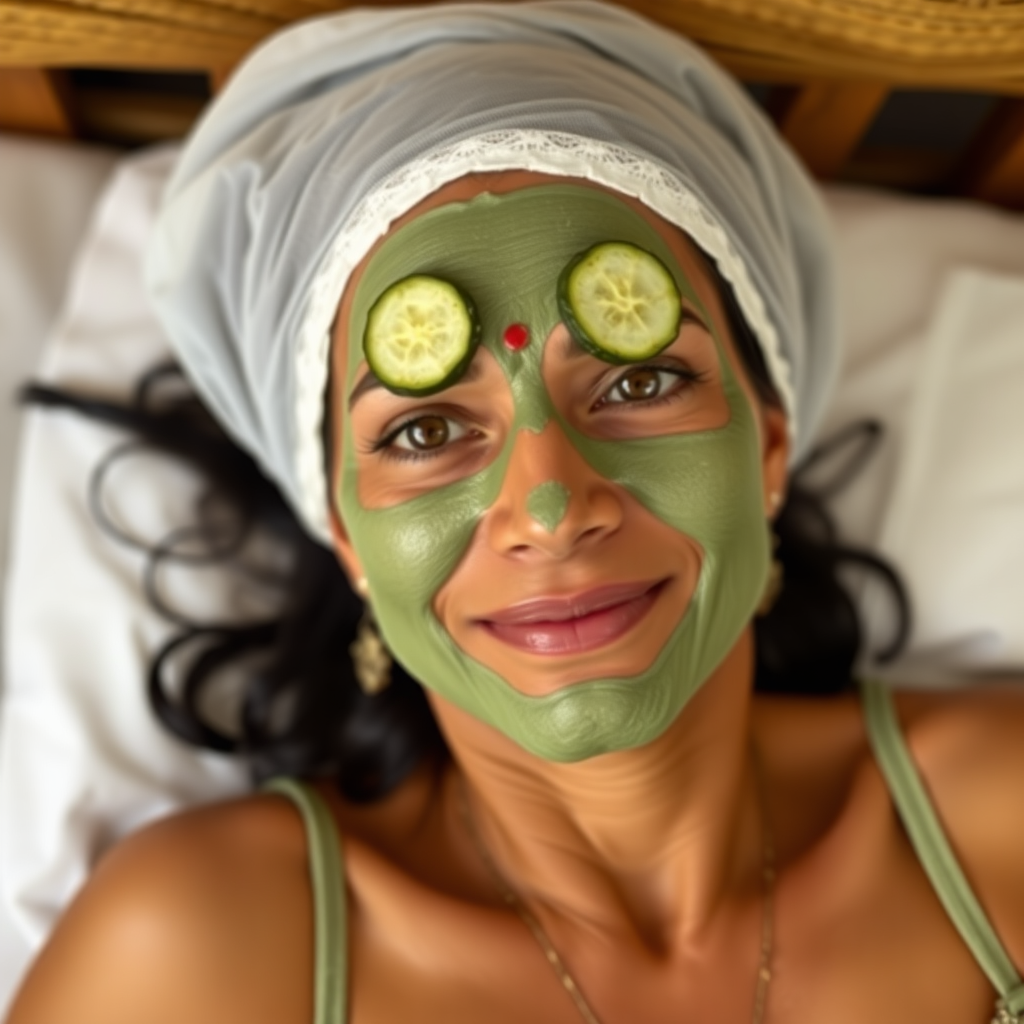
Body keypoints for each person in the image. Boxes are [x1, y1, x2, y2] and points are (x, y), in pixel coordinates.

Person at [6, 3, 1024, 1023]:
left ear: (766, 448)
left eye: (636, 382)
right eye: (423, 432)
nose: (548, 506)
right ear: (347, 536)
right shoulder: (197, 948)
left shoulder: (999, 813)